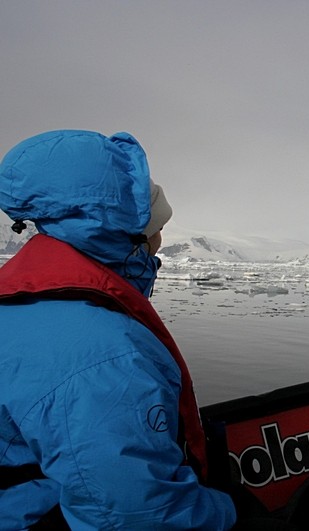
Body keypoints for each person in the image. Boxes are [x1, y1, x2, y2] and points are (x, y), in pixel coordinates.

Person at [0, 130, 237, 529]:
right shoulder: (101, 355)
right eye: (156, 224)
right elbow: (137, 517)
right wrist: (232, 512)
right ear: (127, 231)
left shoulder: (26, 302)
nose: (161, 240)